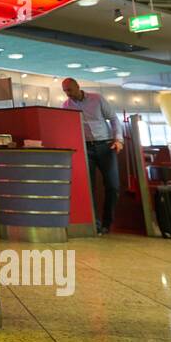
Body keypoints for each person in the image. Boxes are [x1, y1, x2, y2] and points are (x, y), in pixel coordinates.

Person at [61, 77, 123, 234]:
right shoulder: (66, 106)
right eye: (65, 91)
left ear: (78, 87)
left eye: (70, 90)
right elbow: (68, 128)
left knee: (113, 186)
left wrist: (118, 139)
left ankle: (107, 223)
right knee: (89, 188)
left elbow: (114, 119)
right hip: (85, 148)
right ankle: (95, 225)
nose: (68, 94)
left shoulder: (97, 99)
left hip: (106, 146)